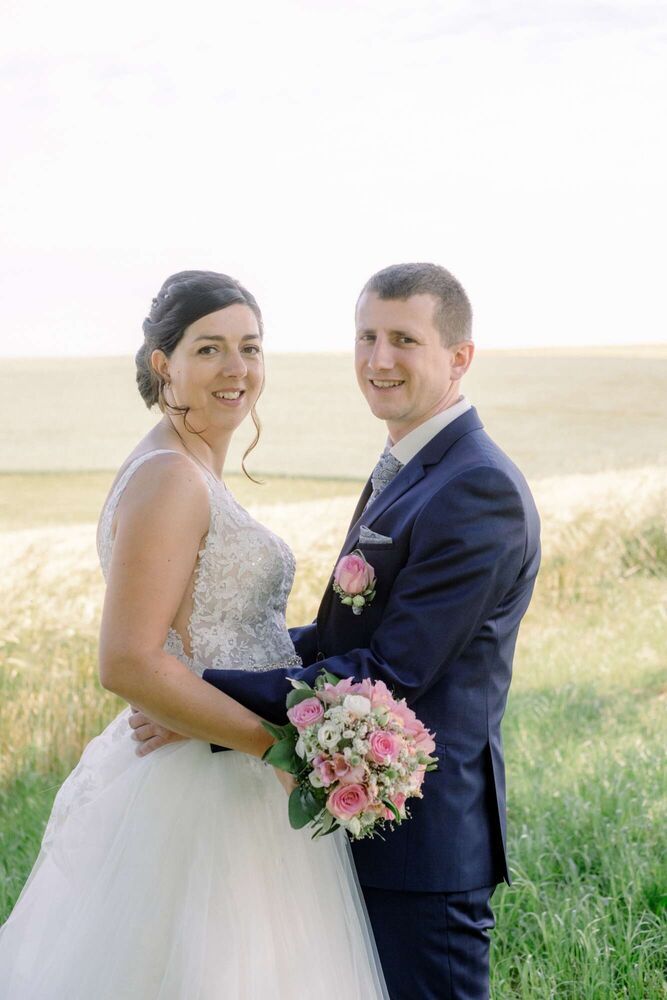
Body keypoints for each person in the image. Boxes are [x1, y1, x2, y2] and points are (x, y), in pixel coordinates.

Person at [132, 262, 541, 999]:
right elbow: (337, 635)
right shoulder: (413, 466)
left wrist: (200, 697)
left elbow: (390, 672)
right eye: (366, 337)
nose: (378, 359)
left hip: (423, 849)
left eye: (404, 340)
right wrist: (183, 682)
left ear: (459, 357)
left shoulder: (475, 487)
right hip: (359, 827)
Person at [0, 271, 387, 1000]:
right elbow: (127, 661)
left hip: (228, 764)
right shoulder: (171, 477)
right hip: (201, 782)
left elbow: (229, 635)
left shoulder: (191, 466)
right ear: (163, 364)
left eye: (250, 347)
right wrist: (276, 746)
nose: (236, 368)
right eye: (209, 349)